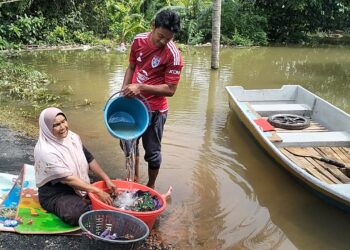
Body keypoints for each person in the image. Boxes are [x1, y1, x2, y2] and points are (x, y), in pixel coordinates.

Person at [121, 9, 183, 189]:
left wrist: (140, 87)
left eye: (168, 39)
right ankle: (135, 179)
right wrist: (123, 90)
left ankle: (150, 186)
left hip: (155, 110)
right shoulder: (138, 40)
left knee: (153, 153)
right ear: (153, 27)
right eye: (160, 36)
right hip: (133, 104)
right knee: (128, 144)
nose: (163, 42)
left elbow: (170, 90)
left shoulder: (174, 56)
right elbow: (131, 67)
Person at [34, 107, 117, 226]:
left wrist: (107, 179)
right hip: (56, 192)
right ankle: (84, 202)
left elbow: (89, 158)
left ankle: (85, 199)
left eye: (63, 121)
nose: (62, 127)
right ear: (47, 128)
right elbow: (68, 179)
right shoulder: (45, 151)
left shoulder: (72, 137)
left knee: (111, 192)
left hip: (77, 183)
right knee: (75, 213)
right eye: (56, 125)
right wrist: (96, 190)